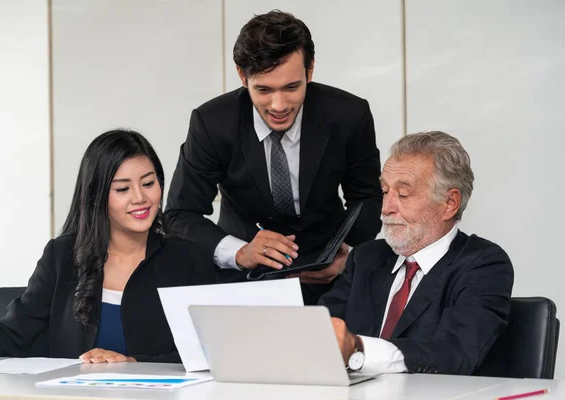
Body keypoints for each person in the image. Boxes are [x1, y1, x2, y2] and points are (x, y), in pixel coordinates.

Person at [165, 10, 382, 305]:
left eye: (292, 87)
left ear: (310, 70)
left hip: (330, 280)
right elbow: (180, 214)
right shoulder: (212, 123)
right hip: (240, 279)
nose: (279, 105)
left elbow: (367, 198)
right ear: (243, 76)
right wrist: (239, 253)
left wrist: (347, 254)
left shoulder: (348, 116)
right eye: (263, 90)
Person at [0, 129, 214, 362]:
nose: (140, 198)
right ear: (96, 195)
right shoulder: (62, 255)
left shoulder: (189, 259)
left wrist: (133, 364)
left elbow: (206, 351)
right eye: (123, 188)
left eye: (148, 183)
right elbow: (12, 333)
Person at [321, 131, 514, 375]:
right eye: (385, 191)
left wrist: (359, 348)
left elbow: (455, 354)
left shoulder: (483, 264)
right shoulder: (366, 258)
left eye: (403, 194)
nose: (386, 208)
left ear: (449, 203)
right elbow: (321, 332)